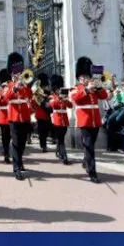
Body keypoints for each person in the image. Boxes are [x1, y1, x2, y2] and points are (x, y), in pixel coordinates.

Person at [70, 56, 109, 184]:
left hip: (95, 121)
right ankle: (92, 173)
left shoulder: (94, 88)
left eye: (86, 76)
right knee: (89, 147)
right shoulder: (76, 88)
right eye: (82, 77)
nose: (85, 79)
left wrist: (98, 87)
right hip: (84, 121)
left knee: (90, 146)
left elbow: (104, 96)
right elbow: (76, 98)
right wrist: (87, 89)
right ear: (79, 78)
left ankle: (85, 161)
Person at [0, 52, 33, 180]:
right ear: (11, 73)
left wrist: (24, 86)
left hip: (25, 117)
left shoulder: (25, 83)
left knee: (23, 143)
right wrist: (15, 88)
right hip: (13, 117)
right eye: (15, 73)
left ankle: (19, 160)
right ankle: (16, 167)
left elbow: (30, 96)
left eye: (19, 72)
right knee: (16, 142)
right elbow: (5, 98)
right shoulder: (8, 85)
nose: (18, 75)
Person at [49, 74, 73, 164]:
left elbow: (70, 106)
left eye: (60, 89)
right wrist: (59, 99)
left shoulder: (64, 97)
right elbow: (53, 105)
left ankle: (58, 151)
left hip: (65, 121)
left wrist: (66, 100)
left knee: (60, 138)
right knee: (61, 139)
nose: (59, 90)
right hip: (57, 120)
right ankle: (64, 157)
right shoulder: (52, 97)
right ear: (55, 90)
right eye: (58, 89)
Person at [0, 69, 12, 164]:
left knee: (10, 137)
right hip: (2, 117)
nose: (5, 85)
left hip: (11, 115)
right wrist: (2, 96)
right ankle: (6, 153)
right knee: (5, 137)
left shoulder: (11, 90)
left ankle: (8, 151)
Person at [32, 72, 51, 153]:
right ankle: (43, 145)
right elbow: (33, 103)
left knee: (46, 131)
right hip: (40, 114)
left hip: (47, 114)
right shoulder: (36, 92)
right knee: (41, 131)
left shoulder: (47, 92)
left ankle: (44, 144)